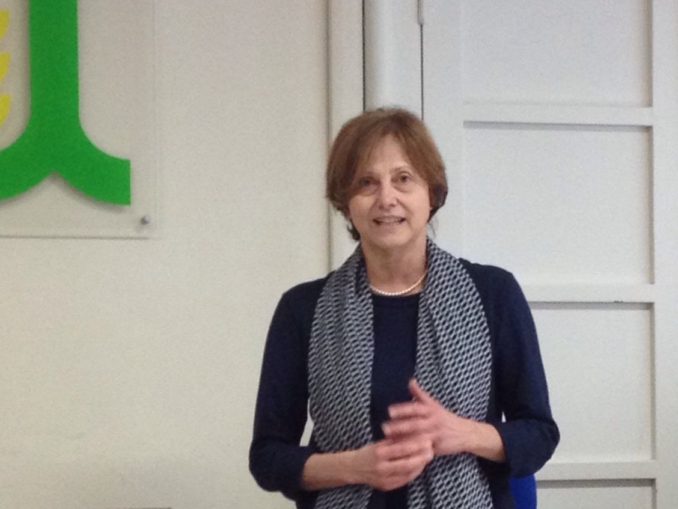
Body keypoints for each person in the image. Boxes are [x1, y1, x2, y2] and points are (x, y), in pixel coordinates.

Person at [249, 107, 559, 508]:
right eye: (366, 183)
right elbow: (268, 457)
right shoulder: (302, 309)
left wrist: (464, 434)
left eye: (403, 179)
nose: (386, 198)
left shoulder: (493, 293)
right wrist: (355, 467)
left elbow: (538, 434)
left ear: (431, 192)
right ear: (346, 202)